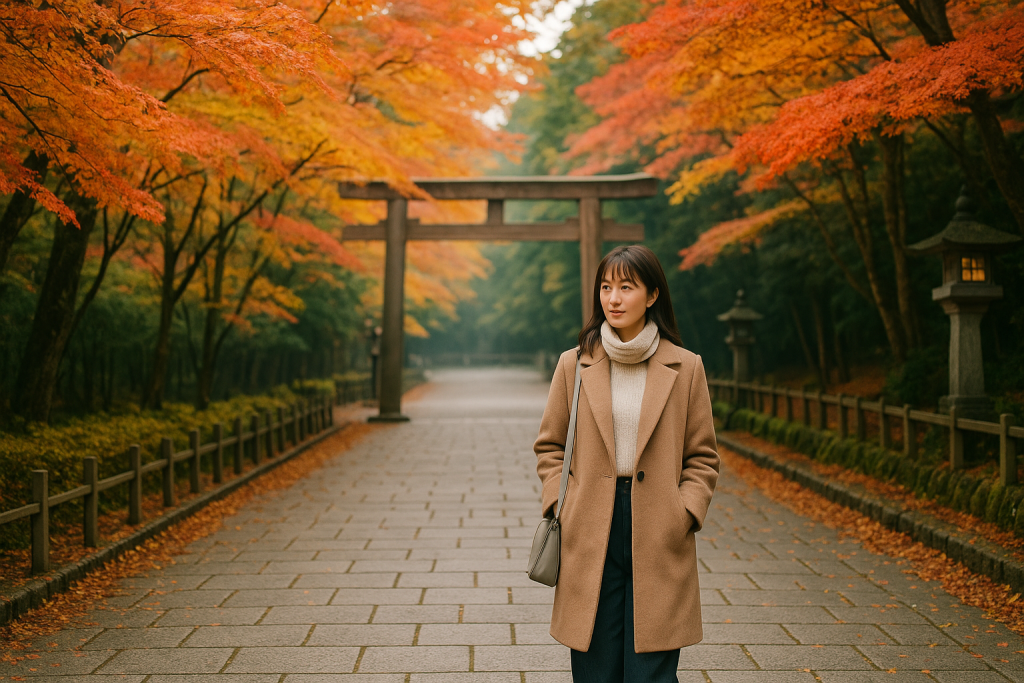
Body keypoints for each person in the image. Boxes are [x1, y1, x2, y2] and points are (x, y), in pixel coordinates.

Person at [534, 244, 720, 683]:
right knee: (595, 667)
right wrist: (563, 505)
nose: (612, 299)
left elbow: (703, 456)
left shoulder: (686, 366)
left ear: (653, 295)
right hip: (589, 522)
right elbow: (550, 447)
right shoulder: (574, 364)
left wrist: (684, 512)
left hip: (659, 524)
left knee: (651, 670)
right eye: (605, 287)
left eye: (625, 287)